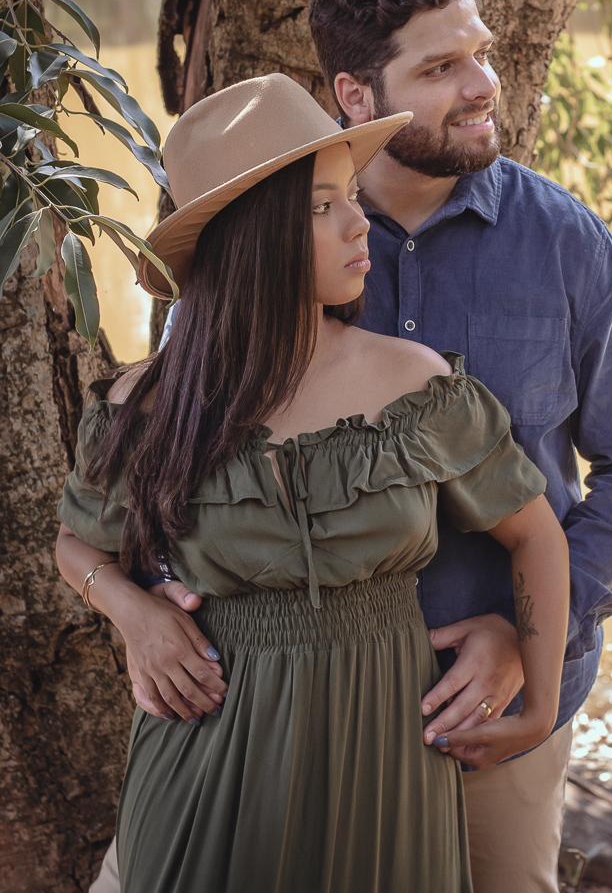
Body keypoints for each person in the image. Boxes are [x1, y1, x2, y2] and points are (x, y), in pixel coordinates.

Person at [92, 0, 612, 893]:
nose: (481, 85)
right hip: (270, 714)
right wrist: (140, 609)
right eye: (440, 66)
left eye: (480, 54)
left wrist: (530, 634)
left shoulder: (562, 243)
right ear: (355, 94)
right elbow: (173, 469)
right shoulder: (245, 259)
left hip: (485, 716)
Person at [55, 74, 571, 893]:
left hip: (386, 762)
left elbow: (534, 533)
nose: (359, 223)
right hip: (204, 761)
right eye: (322, 206)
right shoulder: (146, 404)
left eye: (350, 197)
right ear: (251, 239)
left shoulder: (413, 385)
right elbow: (77, 542)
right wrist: (131, 610)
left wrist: (539, 705)